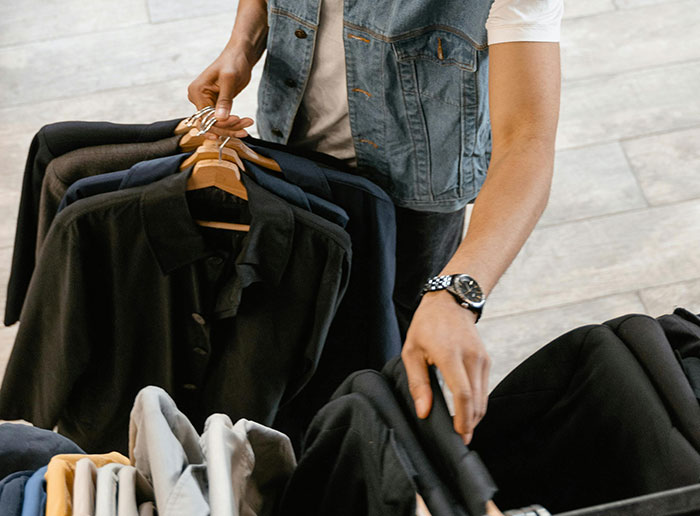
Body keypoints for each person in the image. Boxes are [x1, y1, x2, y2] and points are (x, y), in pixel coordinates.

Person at [187, 0, 562, 447]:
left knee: (392, 347)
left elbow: (527, 140)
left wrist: (456, 294)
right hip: (291, 150)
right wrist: (243, 44)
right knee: (302, 329)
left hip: (419, 187)